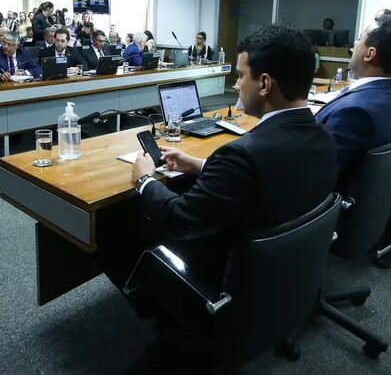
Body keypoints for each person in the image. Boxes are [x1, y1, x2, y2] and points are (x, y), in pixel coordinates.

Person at [107, 26, 337, 348]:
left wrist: (145, 179)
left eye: (242, 76)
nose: (236, 84)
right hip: (284, 269)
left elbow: (180, 220)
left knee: (113, 224)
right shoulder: (324, 137)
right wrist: (199, 165)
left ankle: (171, 317)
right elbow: (266, 177)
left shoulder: (243, 154)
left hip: (228, 273)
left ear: (266, 83)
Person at [315, 15, 391, 182]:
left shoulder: (353, 112)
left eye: (359, 39)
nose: (354, 44)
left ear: (370, 53)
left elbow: (317, 171)